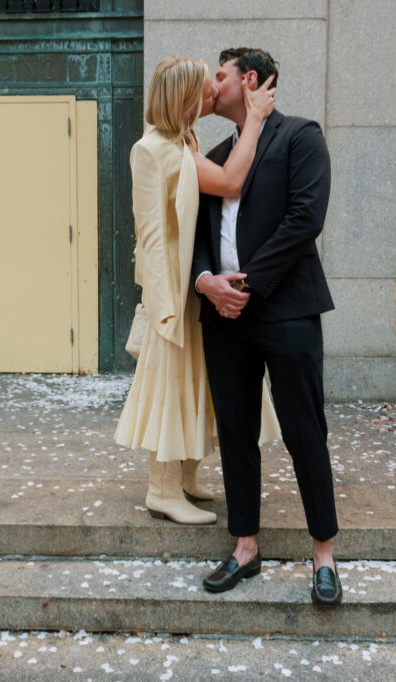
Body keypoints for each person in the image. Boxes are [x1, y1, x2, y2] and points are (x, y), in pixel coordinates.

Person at [193, 47, 342, 606]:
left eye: (221, 74)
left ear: (249, 79)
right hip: (223, 317)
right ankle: (245, 547)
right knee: (235, 431)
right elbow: (195, 235)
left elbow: (307, 218)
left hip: (287, 310)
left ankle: (323, 554)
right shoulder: (212, 155)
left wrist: (248, 285)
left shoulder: (300, 137)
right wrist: (207, 279)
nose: (213, 84)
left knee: (306, 430)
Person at [114, 56, 279, 525]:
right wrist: (258, 121)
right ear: (186, 99)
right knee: (171, 387)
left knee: (195, 386)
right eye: (206, 91)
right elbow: (228, 183)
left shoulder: (181, 143)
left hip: (192, 289)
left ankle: (184, 479)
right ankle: (161, 491)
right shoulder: (154, 150)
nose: (214, 96)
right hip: (173, 294)